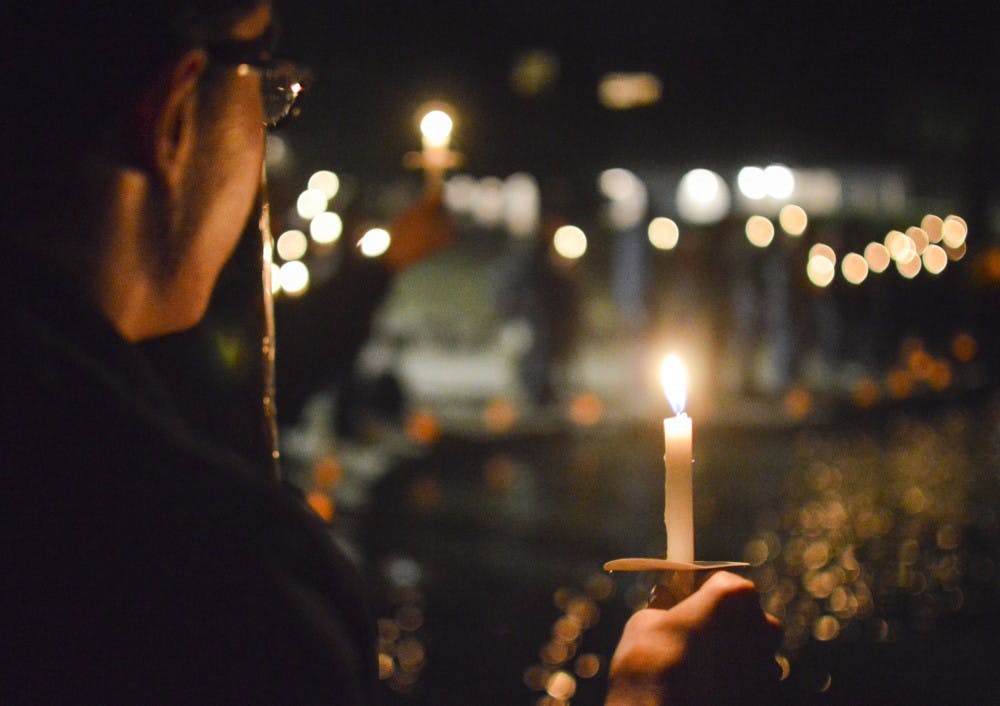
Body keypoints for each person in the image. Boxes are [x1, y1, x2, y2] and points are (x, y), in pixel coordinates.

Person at [0, 1, 781, 703]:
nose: (268, 133)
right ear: (172, 114)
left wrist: (381, 266)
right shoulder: (199, 598)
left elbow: (280, 362)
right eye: (270, 91)